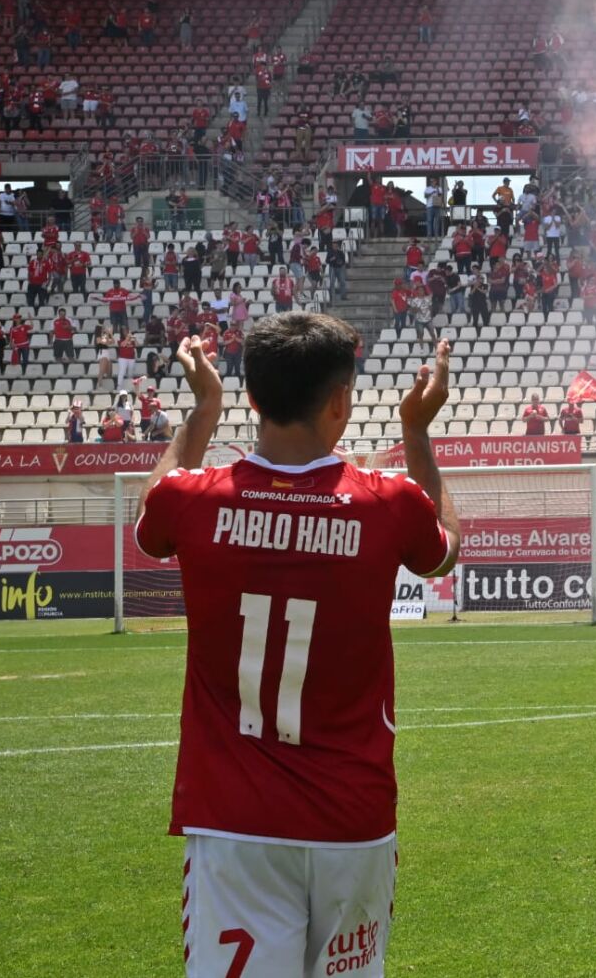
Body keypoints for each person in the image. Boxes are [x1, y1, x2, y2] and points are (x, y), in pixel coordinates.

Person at [133, 317, 460, 978]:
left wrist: (202, 410)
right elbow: (444, 547)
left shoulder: (190, 501)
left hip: (234, 823)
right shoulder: (387, 504)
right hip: (354, 822)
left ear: (250, 396)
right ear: (340, 400)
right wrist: (418, 432)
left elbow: (152, 511)